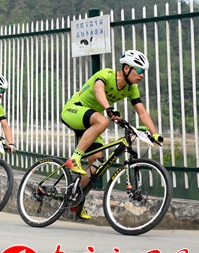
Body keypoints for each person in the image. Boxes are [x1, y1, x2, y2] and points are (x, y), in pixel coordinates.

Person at [60, 49, 164, 220]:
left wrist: (155, 134)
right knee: (103, 121)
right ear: (126, 68)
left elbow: (142, 112)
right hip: (74, 109)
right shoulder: (107, 74)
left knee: (97, 162)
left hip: (92, 121)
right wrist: (108, 108)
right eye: (139, 70)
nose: (141, 75)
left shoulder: (131, 89)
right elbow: (98, 89)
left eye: (143, 72)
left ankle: (76, 199)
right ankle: (74, 158)